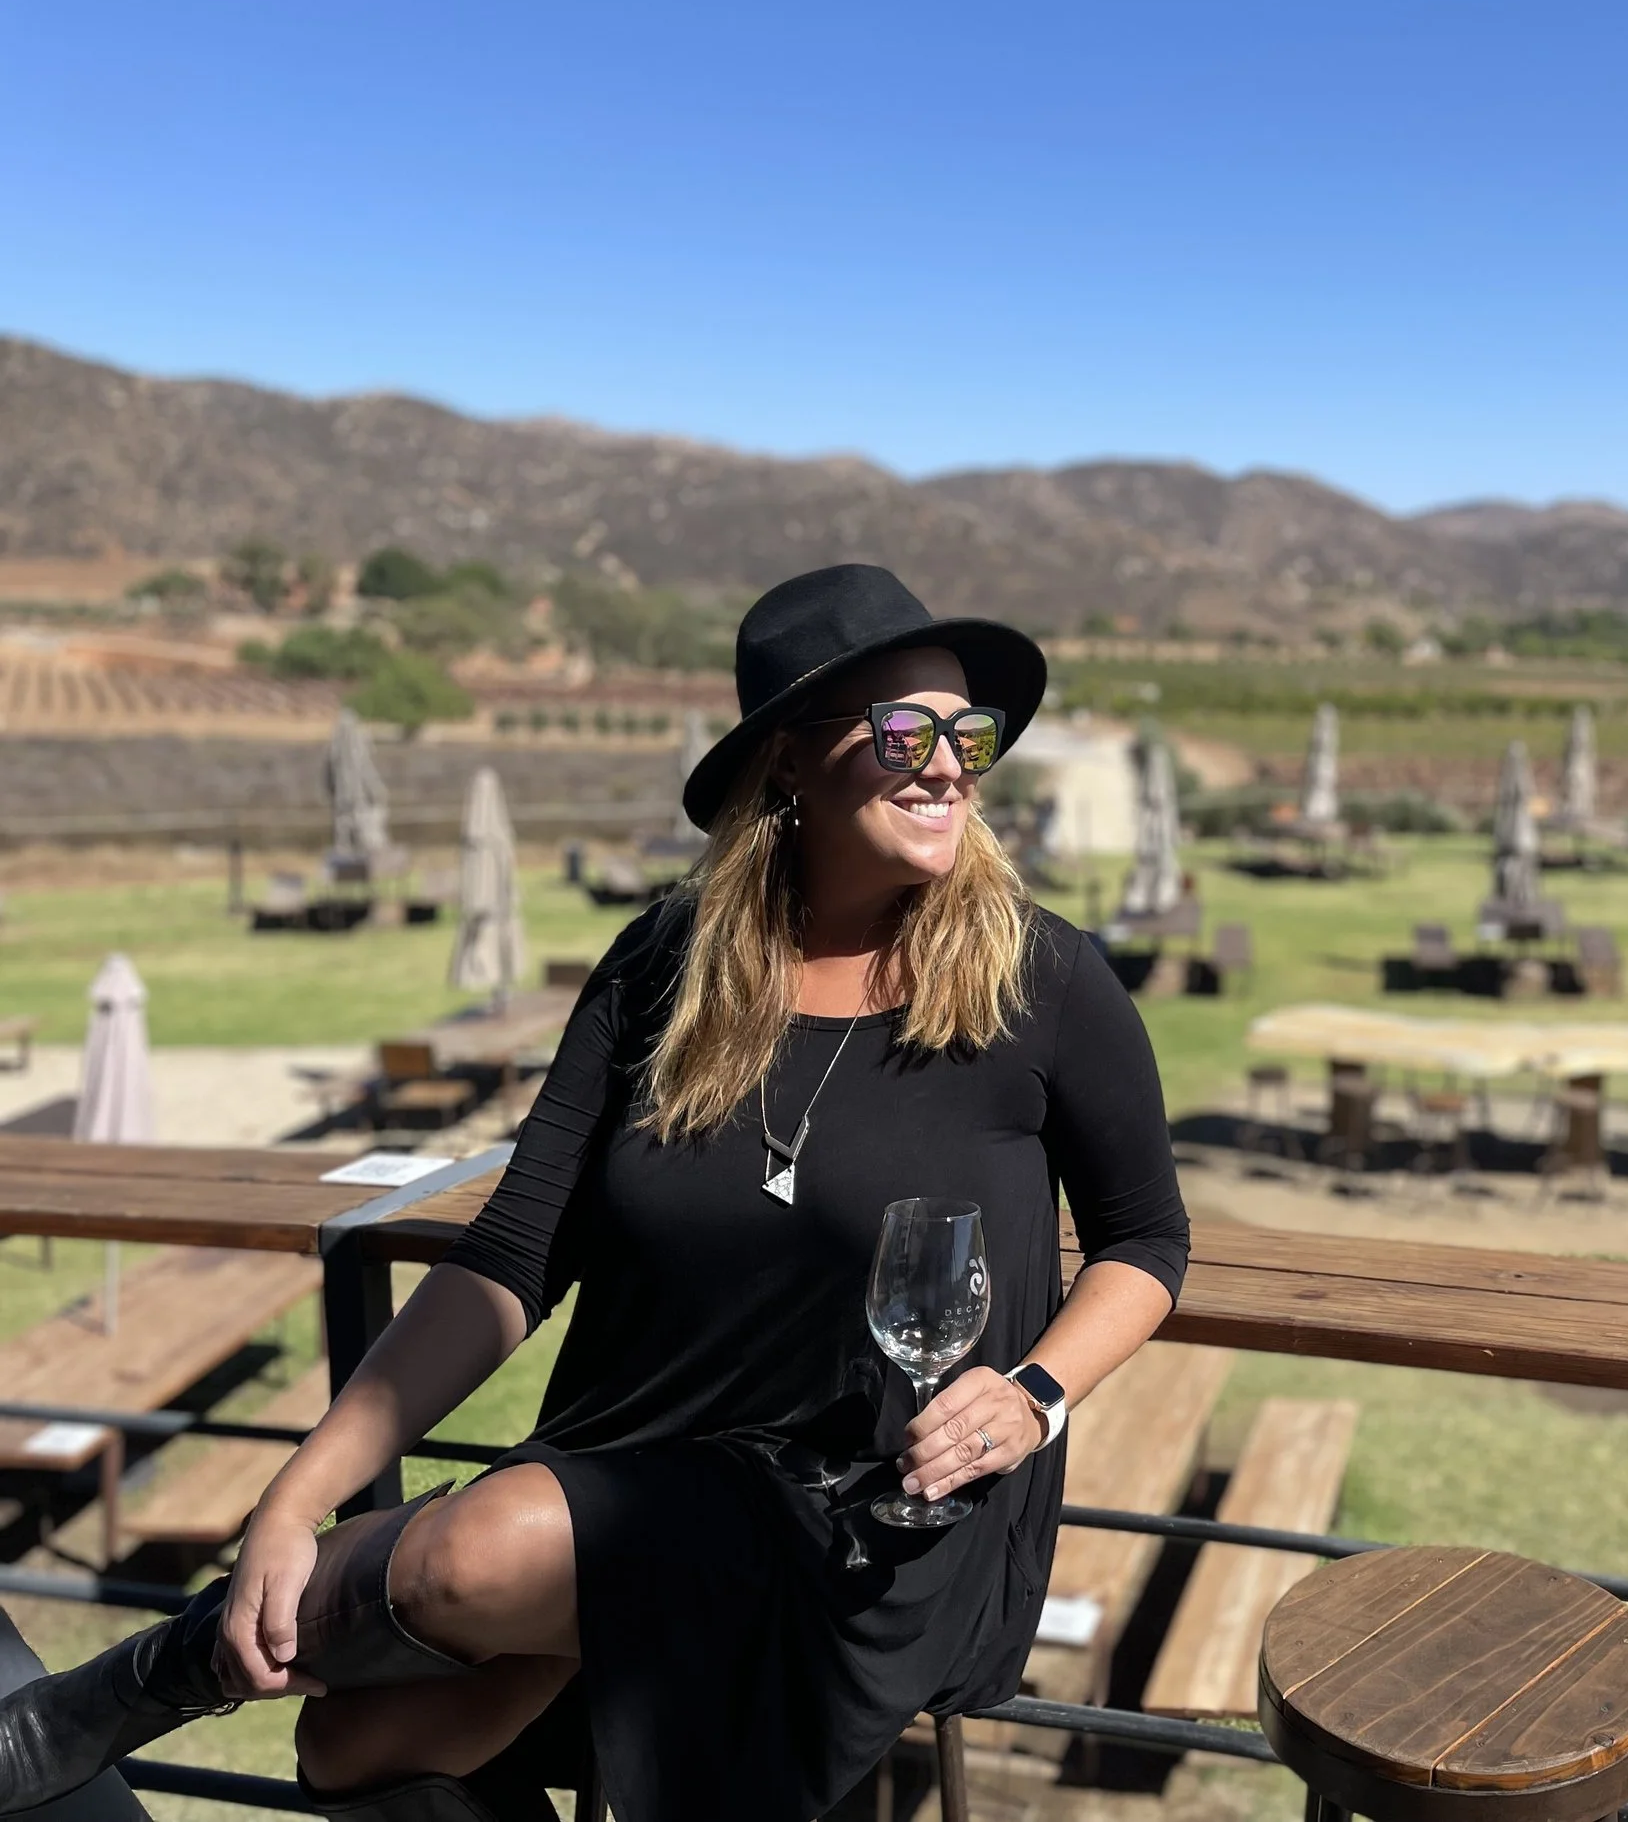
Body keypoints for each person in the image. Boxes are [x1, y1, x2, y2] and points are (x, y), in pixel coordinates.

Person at [0, 565, 1191, 1822]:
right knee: (353, 1745)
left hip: (876, 1502)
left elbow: (1146, 1241)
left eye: (970, 736)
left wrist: (1035, 1395)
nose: (948, 766)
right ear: (789, 760)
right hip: (631, 1462)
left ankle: (130, 1690)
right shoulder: (662, 965)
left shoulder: (1043, 979)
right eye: (905, 733)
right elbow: (512, 1254)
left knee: (463, 1559)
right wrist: (295, 1495)